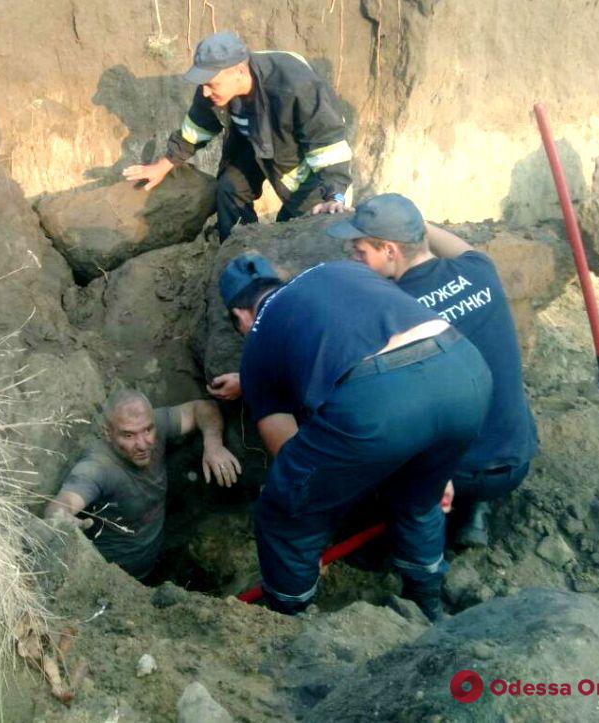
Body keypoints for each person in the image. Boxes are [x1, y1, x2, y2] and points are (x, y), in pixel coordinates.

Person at [220, 251, 492, 620]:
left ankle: (286, 618)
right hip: (465, 372)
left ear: (240, 316)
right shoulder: (339, 269)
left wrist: (312, 535)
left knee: (283, 513)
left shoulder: (257, 344)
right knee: (418, 498)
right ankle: (427, 604)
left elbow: (288, 455)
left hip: (379, 404)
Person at [329, 193, 538, 547]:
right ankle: (475, 510)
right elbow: (452, 245)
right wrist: (411, 222)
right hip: (516, 457)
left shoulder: (393, 312)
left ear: (391, 250)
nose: (352, 257)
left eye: (360, 251)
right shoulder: (479, 270)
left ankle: (399, 540)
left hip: (453, 476)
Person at [122, 31, 352, 241]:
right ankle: (236, 250)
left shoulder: (295, 86)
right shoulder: (212, 86)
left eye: (212, 85)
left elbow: (327, 143)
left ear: (240, 71)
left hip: (302, 158)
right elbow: (197, 127)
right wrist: (165, 164)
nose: (204, 92)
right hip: (252, 144)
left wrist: (335, 195)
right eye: (203, 84)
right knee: (229, 187)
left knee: (301, 230)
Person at [45, 389, 241, 581]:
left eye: (147, 430)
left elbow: (203, 407)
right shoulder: (98, 467)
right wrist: (61, 518)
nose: (142, 444)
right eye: (128, 435)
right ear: (107, 433)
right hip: (117, 581)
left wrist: (213, 444)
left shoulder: (154, 425)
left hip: (153, 560)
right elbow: (65, 502)